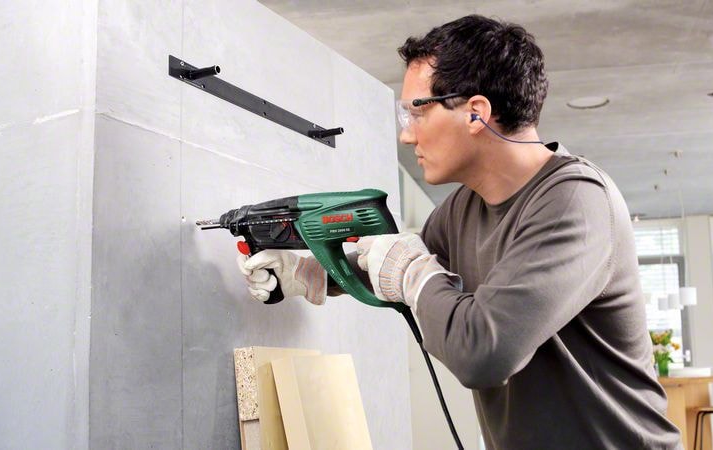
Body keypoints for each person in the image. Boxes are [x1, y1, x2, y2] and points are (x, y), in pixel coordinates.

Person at [238, 15, 682, 449]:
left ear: (475, 114)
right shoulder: (463, 208)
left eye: (417, 112)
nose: (406, 136)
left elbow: (483, 353)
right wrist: (311, 273)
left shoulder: (575, 200)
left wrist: (413, 273)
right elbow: (393, 266)